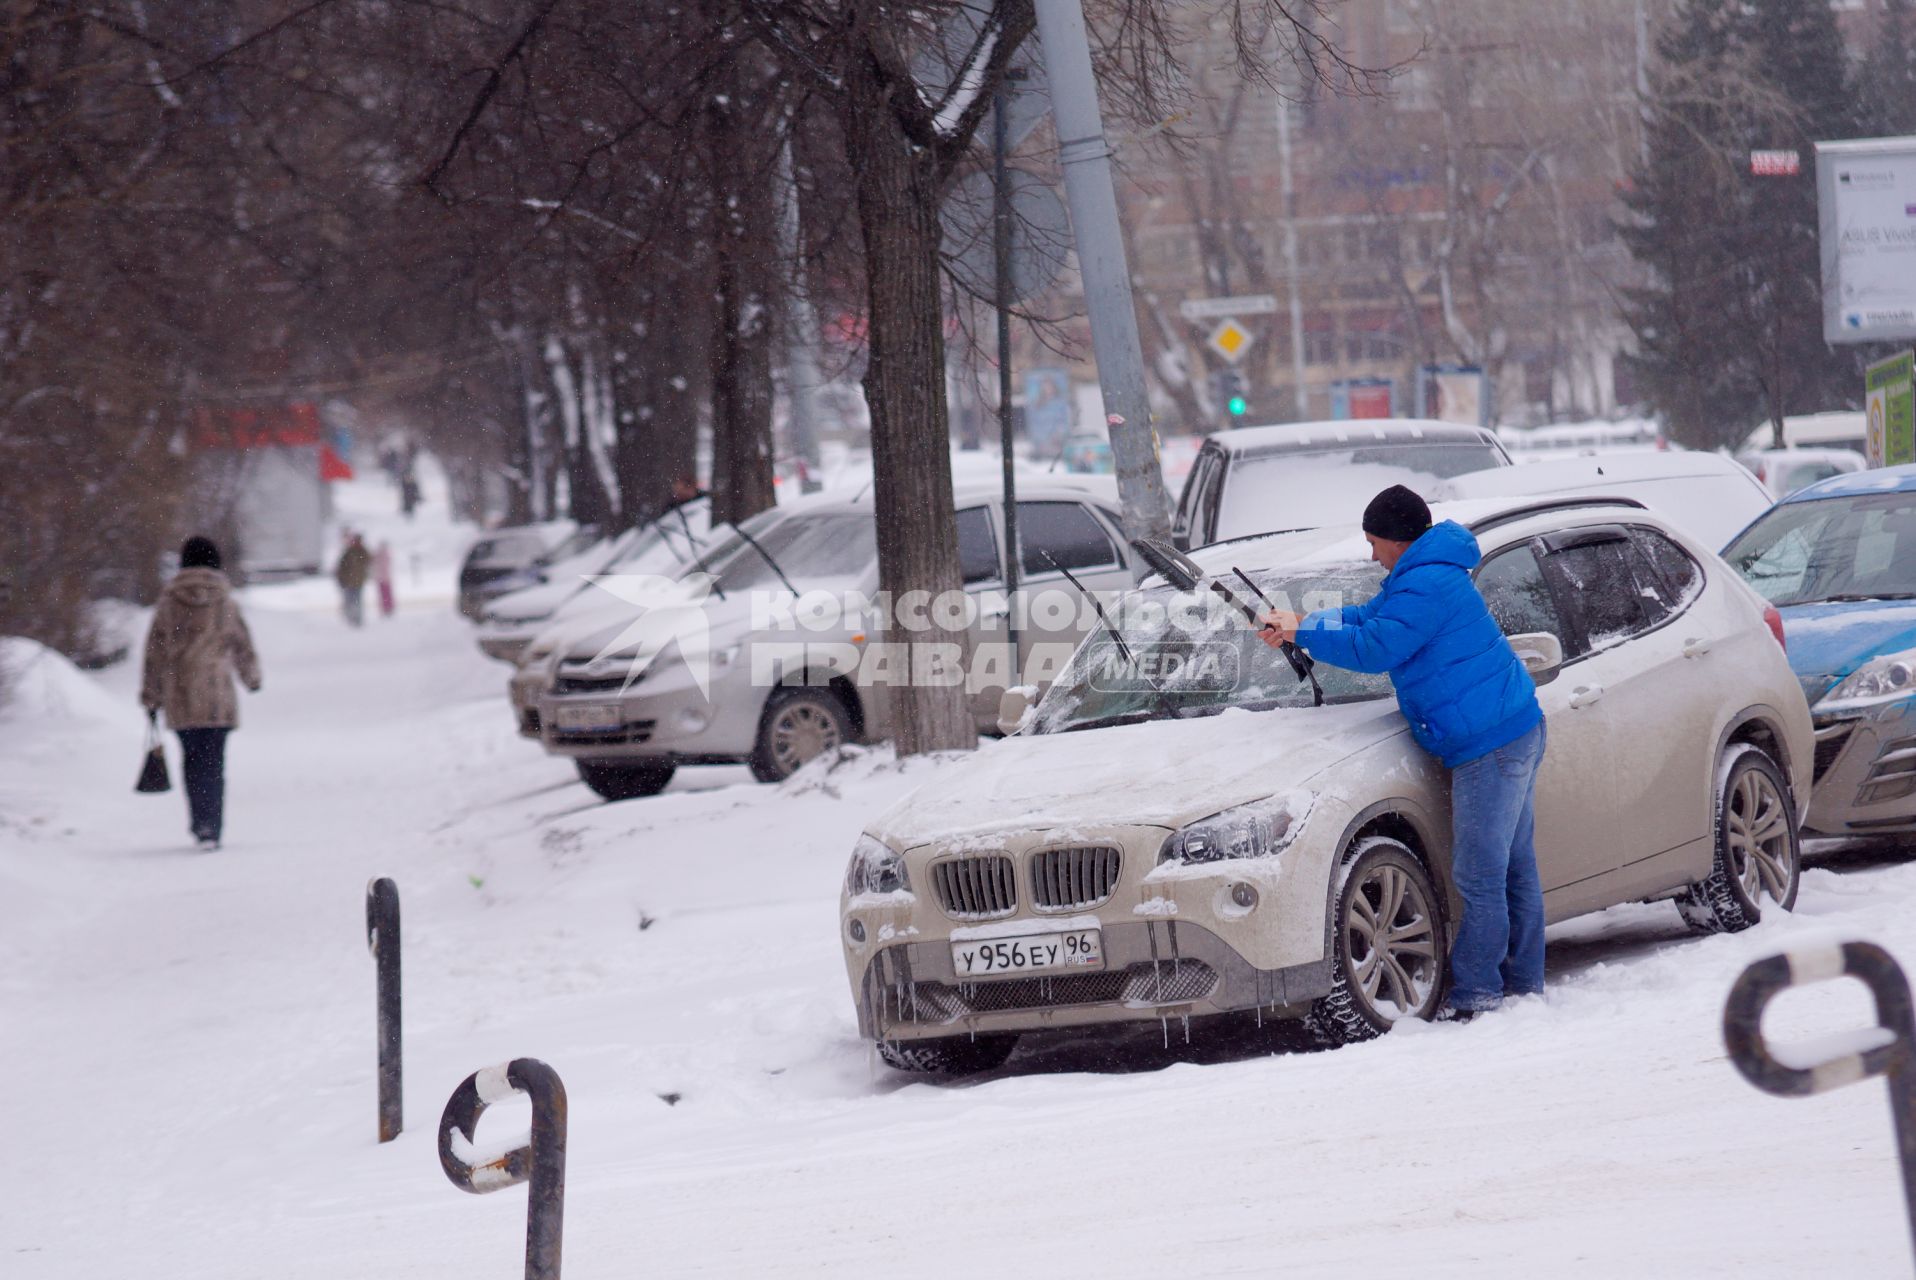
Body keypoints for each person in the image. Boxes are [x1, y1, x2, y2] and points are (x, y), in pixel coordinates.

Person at [1258, 485, 1546, 1018]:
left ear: (1395, 538)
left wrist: (1304, 631)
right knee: (1512, 868)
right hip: (1512, 726)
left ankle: (1480, 994)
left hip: (1490, 743)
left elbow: (1375, 648)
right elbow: (1368, 619)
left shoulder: (1427, 584)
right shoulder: (1422, 575)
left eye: (1373, 542)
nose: (1371, 555)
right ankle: (1524, 984)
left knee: (1482, 874)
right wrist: (1300, 626)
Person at [140, 536, 262, 850]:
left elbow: (155, 651)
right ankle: (211, 826)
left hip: (180, 693)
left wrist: (151, 694)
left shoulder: (168, 602)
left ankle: (199, 822)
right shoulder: (224, 600)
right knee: (214, 762)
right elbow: (241, 642)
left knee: (191, 761)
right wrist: (251, 677)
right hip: (216, 693)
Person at [336, 532, 372, 627]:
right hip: (349, 581)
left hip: (358, 581)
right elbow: (342, 566)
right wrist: (342, 579)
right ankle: (351, 617)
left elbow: (369, 561)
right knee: (350, 600)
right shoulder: (349, 552)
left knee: (357, 601)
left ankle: (357, 618)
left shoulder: (362, 552)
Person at [373, 541, 395, 619]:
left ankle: (387, 608)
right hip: (383, 578)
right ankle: (386, 608)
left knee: (385, 595)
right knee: (385, 595)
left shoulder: (382, 555)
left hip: (383, 578)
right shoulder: (381, 555)